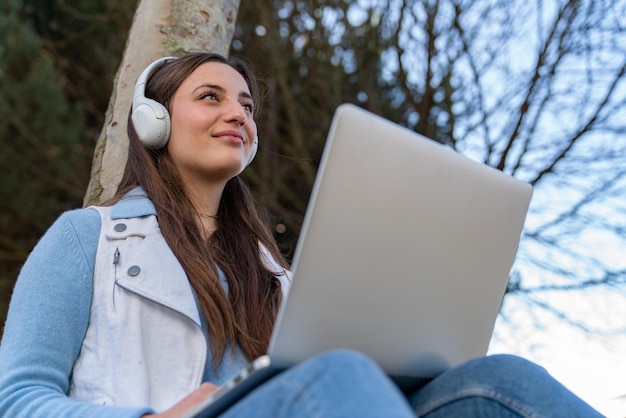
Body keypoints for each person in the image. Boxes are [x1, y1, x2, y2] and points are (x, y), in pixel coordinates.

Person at [0, 52, 603, 418]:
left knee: (499, 381)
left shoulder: (280, 277)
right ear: (152, 121)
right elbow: (18, 398)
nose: (237, 113)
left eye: (245, 104)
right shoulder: (88, 239)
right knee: (337, 373)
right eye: (209, 97)